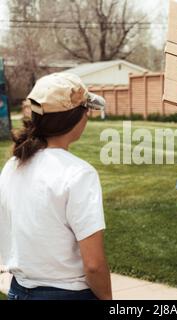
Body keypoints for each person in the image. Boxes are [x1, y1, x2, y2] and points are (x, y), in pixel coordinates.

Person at [0, 72, 112, 300]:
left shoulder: (13, 165)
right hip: (67, 294)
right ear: (76, 117)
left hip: (18, 291)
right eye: (86, 110)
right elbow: (93, 265)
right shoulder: (79, 174)